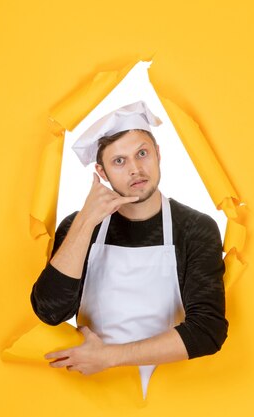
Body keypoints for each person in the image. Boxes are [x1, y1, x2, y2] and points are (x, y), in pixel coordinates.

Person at [30, 101, 227, 396]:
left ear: (158, 154)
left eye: (142, 153)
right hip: (92, 394)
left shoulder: (194, 228)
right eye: (119, 161)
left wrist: (108, 356)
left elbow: (207, 331)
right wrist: (85, 222)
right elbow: (50, 311)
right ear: (102, 172)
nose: (136, 169)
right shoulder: (80, 226)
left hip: (170, 394)